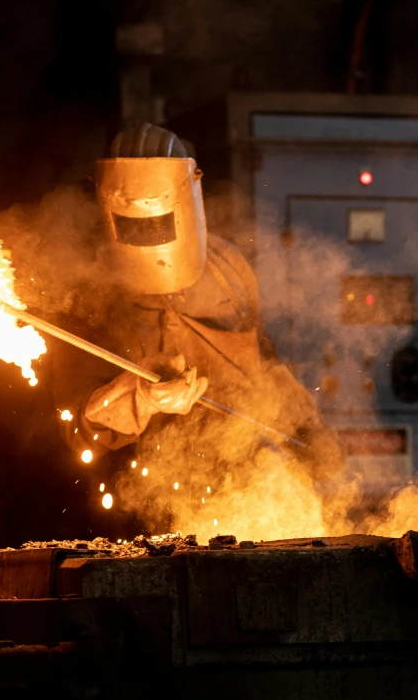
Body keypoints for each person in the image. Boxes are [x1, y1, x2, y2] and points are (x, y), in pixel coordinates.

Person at [52, 123, 344, 534]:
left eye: (161, 220)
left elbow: (263, 362)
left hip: (242, 481)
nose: (150, 234)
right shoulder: (88, 294)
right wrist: (144, 399)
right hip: (139, 510)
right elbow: (76, 425)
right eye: (135, 223)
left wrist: (307, 430)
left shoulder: (228, 271)